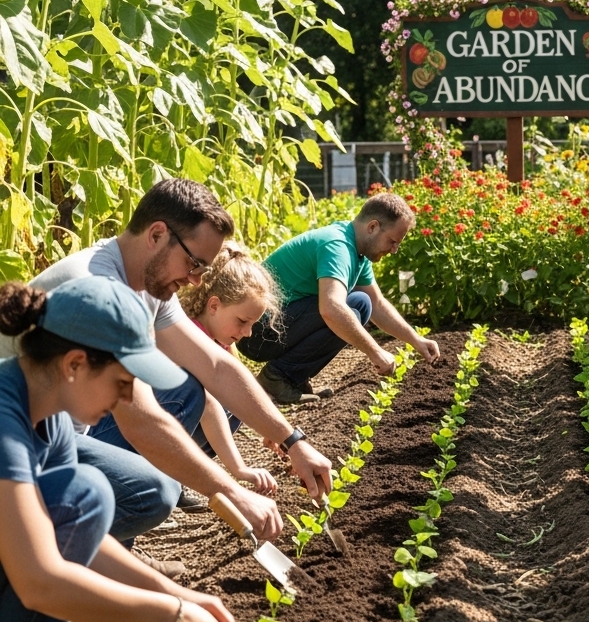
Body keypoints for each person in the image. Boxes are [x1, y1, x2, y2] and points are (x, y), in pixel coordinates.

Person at [0, 278, 237, 622]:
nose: (128, 396)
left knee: (83, 495)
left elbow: (73, 536)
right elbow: (39, 578)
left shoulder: (51, 414)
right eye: (123, 382)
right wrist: (168, 619)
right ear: (74, 365)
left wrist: (182, 598)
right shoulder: (4, 420)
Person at [20, 179, 334, 550]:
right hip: (22, 445)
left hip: (56, 435)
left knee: (186, 389)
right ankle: (35, 556)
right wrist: (231, 490)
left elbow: (215, 366)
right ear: (156, 234)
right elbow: (141, 421)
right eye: (193, 263)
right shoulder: (101, 290)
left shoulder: (144, 284)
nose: (195, 280)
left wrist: (293, 441)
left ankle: (103, 554)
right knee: (150, 491)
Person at [240, 193, 440, 403]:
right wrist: (376, 352)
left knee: (361, 303)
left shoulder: (356, 250)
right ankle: (277, 377)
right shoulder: (337, 246)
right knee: (344, 311)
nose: (394, 250)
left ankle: (293, 378)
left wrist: (416, 340)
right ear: (372, 227)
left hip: (275, 326)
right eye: (392, 241)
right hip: (255, 331)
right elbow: (331, 308)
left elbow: (377, 304)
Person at [178, 244, 281, 495]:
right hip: (144, 433)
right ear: (213, 305)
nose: (247, 333)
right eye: (243, 321)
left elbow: (242, 382)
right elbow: (208, 406)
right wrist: (239, 469)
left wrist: (272, 428)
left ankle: (176, 477)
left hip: (173, 425)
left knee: (240, 398)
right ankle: (172, 473)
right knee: (226, 403)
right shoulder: (190, 337)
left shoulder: (219, 338)